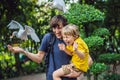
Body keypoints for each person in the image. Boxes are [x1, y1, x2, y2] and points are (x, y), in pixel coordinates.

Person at [7, 15, 78, 80]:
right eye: (54, 28)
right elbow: (39, 59)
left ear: (65, 26)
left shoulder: (72, 38)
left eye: (59, 28)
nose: (56, 31)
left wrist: (78, 73)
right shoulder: (49, 38)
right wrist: (23, 51)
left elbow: (87, 59)